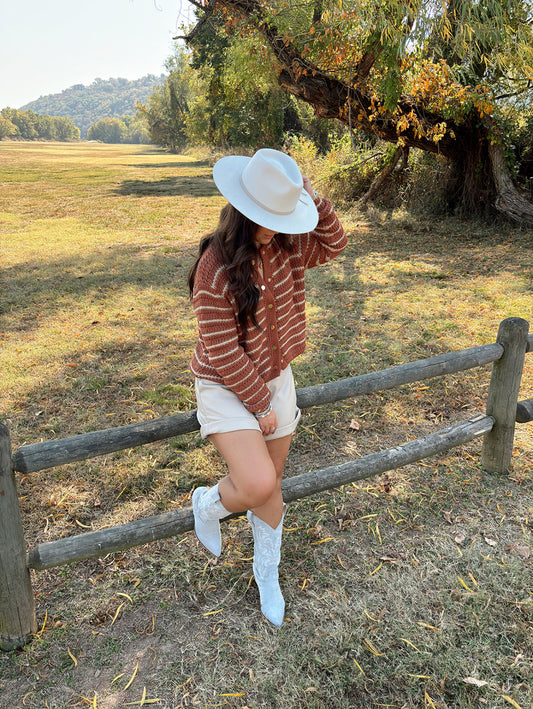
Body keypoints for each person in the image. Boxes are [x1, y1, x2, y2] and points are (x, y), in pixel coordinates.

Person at [188, 148, 347, 626]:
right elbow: (221, 351)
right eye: (267, 218)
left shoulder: (288, 243)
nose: (276, 227)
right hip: (225, 384)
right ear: (242, 212)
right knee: (258, 484)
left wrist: (307, 195)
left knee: (270, 488)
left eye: (282, 215)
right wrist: (259, 406)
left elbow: (335, 243)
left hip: (277, 379)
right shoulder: (214, 268)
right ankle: (208, 503)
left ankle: (266, 573)